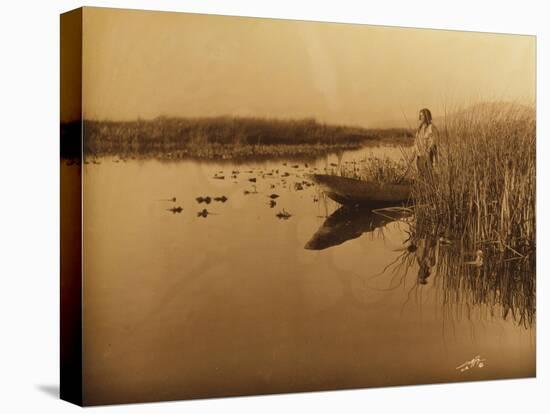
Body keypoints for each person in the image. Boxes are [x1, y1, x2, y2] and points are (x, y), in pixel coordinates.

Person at [414, 108, 438, 176]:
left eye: (422, 116)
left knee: (429, 175)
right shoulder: (419, 129)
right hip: (419, 156)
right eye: (420, 116)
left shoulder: (431, 127)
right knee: (421, 175)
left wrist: (429, 154)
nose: (421, 118)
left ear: (427, 116)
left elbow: (433, 143)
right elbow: (416, 143)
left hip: (428, 156)